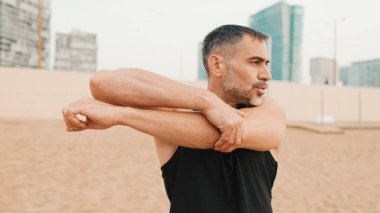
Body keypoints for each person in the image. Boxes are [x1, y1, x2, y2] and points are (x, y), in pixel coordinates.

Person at [62, 24, 286, 213]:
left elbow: (219, 133)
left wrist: (122, 115)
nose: (266, 74)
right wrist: (206, 101)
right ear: (217, 65)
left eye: (266, 63)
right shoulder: (178, 113)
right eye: (255, 62)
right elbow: (100, 83)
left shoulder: (271, 112)